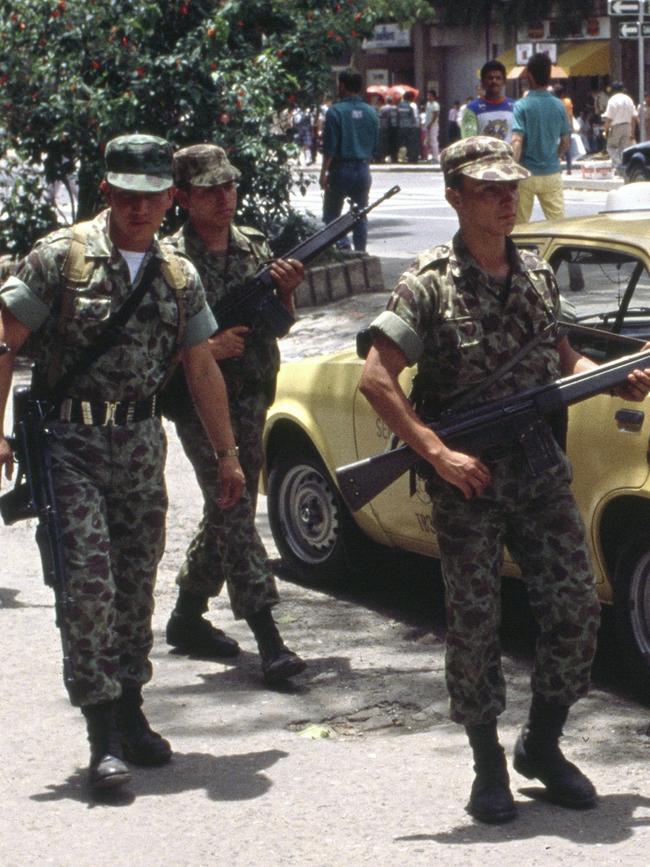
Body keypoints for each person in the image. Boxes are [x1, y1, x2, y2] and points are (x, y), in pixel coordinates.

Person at [357, 135, 650, 824]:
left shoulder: (537, 276)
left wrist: (616, 379)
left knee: (577, 609)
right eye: (488, 190)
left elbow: (564, 360)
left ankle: (541, 745)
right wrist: (437, 454)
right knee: (475, 623)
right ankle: (487, 763)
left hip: (539, 470)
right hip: (468, 479)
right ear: (456, 197)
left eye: (511, 187)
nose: (505, 199)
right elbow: (376, 377)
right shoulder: (427, 281)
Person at [0, 134, 245, 793]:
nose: (139, 209)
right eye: (126, 195)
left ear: (171, 198)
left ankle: (132, 707)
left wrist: (227, 455)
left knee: (136, 584)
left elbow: (201, 367)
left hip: (140, 443)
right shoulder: (61, 258)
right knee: (87, 583)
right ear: (106, 192)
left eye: (152, 197)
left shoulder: (176, 275)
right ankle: (101, 733)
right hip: (68, 443)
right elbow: (5, 338)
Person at [164, 144, 307, 684]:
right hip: (199, 403)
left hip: (254, 394)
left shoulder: (255, 248)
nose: (224, 198)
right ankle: (270, 640)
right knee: (233, 505)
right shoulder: (169, 261)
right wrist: (205, 349)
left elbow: (279, 326)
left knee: (230, 508)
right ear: (182, 198)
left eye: (229, 186)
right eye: (209, 190)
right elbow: (149, 345)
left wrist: (287, 294)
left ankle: (185, 617)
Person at [320, 69, 379, 253]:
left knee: (331, 214)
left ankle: (344, 247)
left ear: (343, 86)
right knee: (360, 213)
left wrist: (324, 173)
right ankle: (361, 252)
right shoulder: (371, 112)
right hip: (363, 168)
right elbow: (375, 144)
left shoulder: (335, 111)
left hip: (341, 168)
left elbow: (330, 148)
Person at [511, 53, 571, 224]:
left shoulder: (521, 105)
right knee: (558, 224)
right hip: (551, 173)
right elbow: (566, 142)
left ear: (529, 75)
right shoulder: (559, 105)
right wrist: (555, 156)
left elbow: (517, 141)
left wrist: (513, 171)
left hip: (526, 174)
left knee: (520, 226)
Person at [461, 60, 515, 143]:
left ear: (504, 81)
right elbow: (468, 143)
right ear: (482, 82)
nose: (494, 81)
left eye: (498, 78)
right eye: (490, 78)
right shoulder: (472, 109)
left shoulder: (515, 107)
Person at [603, 83, 638, 170]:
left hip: (616, 127)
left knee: (610, 147)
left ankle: (618, 165)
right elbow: (634, 117)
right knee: (624, 149)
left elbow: (609, 118)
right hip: (628, 126)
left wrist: (605, 130)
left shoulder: (613, 100)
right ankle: (624, 166)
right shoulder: (629, 99)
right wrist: (632, 132)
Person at [424, 90, 440, 161]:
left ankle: (435, 157)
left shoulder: (435, 104)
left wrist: (430, 124)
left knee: (434, 140)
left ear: (434, 96)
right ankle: (429, 156)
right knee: (428, 141)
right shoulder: (428, 104)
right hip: (427, 124)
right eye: (428, 95)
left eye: (430, 95)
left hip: (433, 125)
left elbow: (435, 115)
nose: (428, 97)